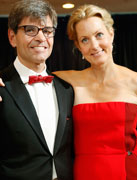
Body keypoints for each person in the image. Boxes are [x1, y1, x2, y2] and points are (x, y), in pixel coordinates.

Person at [52, 4, 137, 180]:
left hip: (130, 172)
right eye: (85, 40)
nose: (94, 45)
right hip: (85, 172)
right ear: (79, 47)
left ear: (111, 34)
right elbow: (25, 79)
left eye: (99, 35)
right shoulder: (68, 80)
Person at [0, 0, 74, 180]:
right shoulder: (1, 85)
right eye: (30, 30)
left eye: (47, 31)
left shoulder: (67, 89)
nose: (41, 38)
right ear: (12, 37)